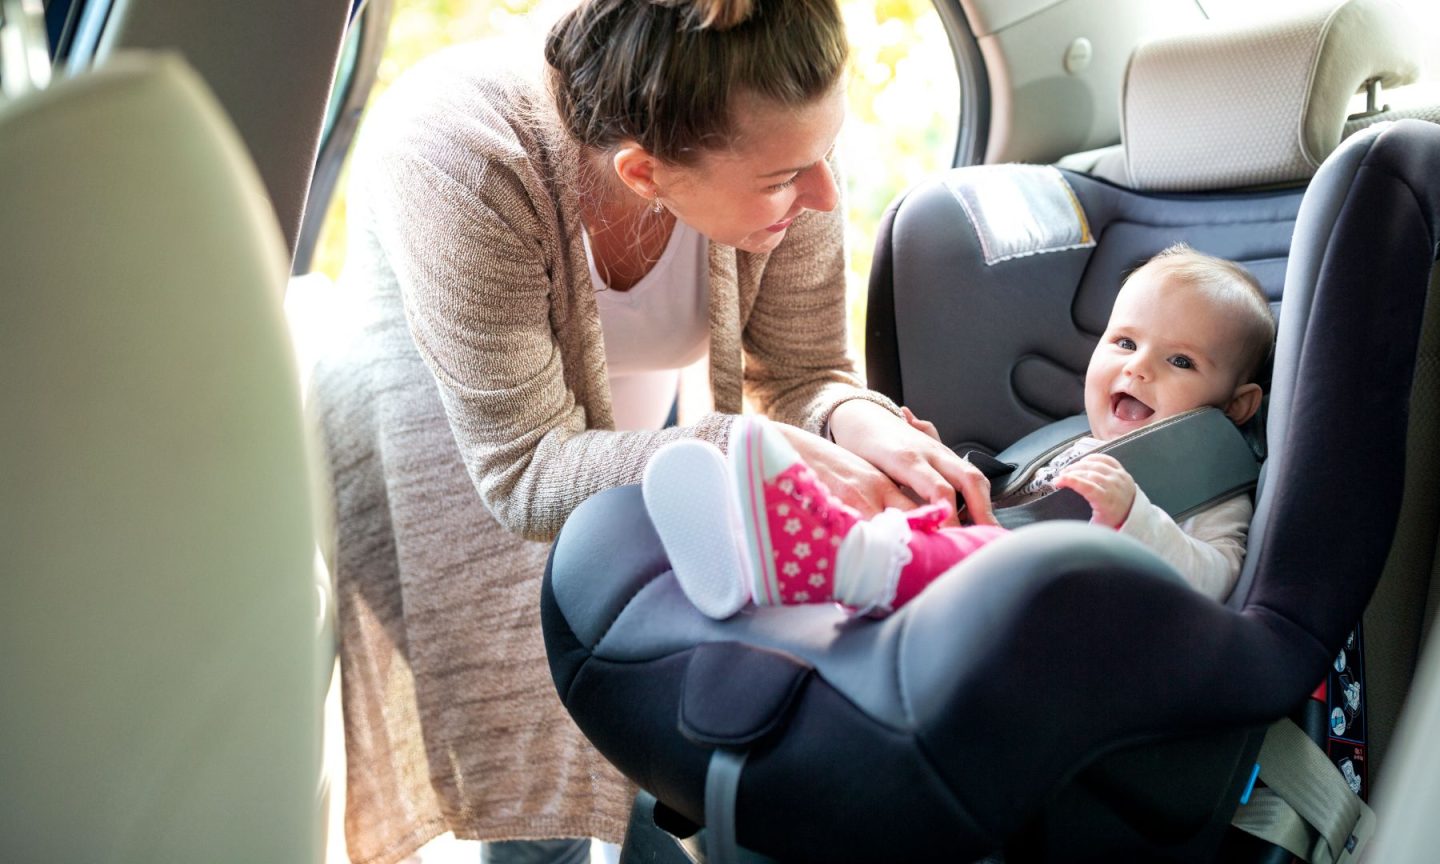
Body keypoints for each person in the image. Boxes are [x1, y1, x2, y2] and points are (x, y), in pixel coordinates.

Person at [312, 1, 996, 862]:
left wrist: (862, 425)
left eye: (824, 156)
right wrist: (749, 455)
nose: (824, 194)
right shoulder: (462, 158)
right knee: (535, 781)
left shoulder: (776, 137)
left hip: (620, 431)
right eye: (788, 178)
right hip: (448, 456)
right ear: (643, 175)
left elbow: (801, 371)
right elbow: (524, 473)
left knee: (642, 714)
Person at [643, 245, 1276, 618]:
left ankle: (829, 558)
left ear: (1238, 404)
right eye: (1126, 341)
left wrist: (1136, 516)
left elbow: (1217, 580)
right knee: (903, 496)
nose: (1138, 366)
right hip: (1001, 561)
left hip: (1054, 610)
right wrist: (938, 460)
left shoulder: (1208, 478)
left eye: (1181, 361)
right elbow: (1018, 510)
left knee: (926, 545)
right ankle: (747, 545)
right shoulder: (1078, 443)